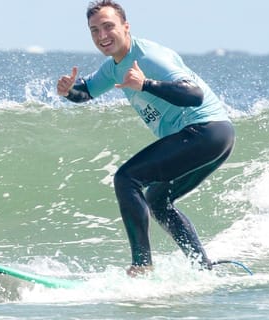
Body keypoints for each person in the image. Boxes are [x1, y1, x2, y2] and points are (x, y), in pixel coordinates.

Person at [57, 0, 234, 276]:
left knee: (127, 178)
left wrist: (146, 84)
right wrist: (69, 91)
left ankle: (141, 265)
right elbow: (86, 93)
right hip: (215, 136)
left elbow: (194, 94)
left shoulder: (148, 57)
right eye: (94, 30)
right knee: (157, 201)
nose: (102, 36)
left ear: (126, 27)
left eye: (108, 27)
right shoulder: (113, 66)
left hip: (205, 130)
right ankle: (203, 268)